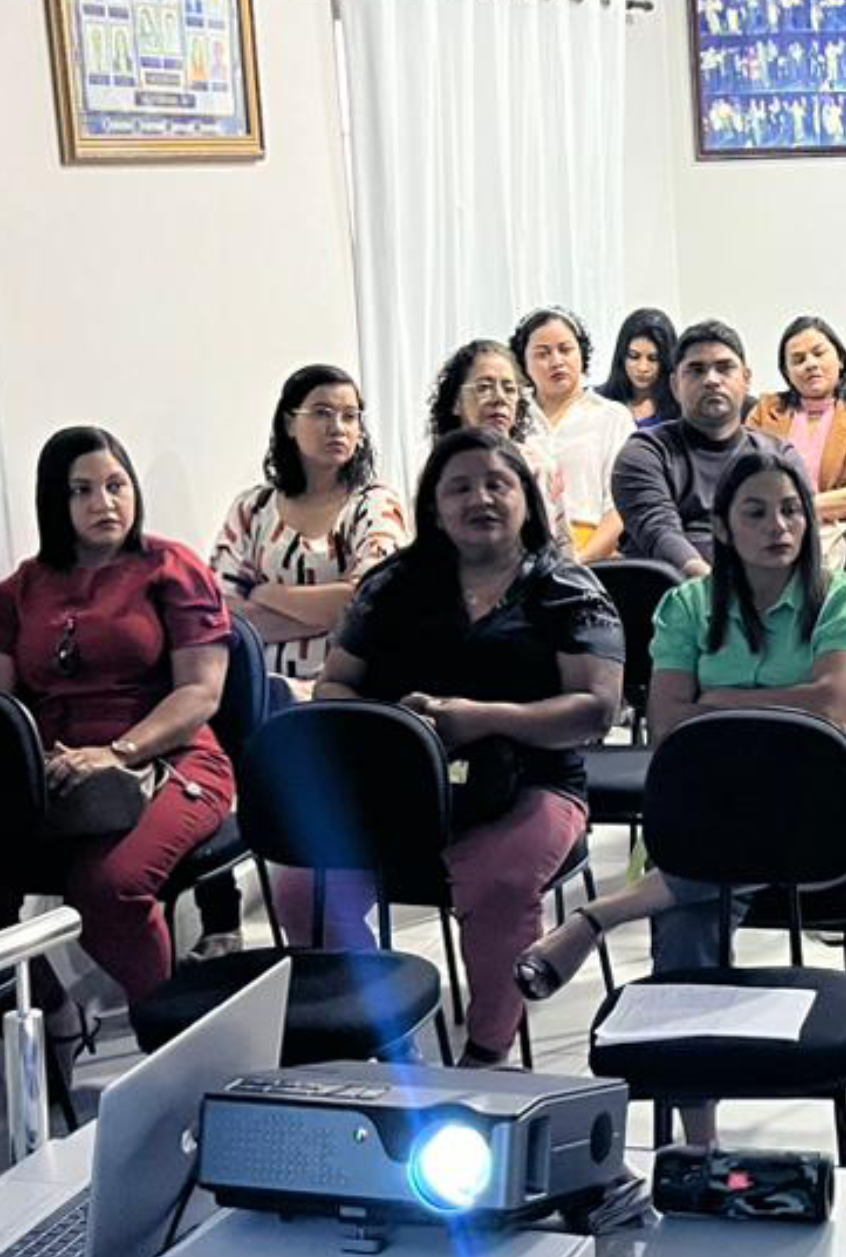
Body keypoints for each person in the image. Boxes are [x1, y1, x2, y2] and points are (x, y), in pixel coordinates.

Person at [513, 449, 846, 1145]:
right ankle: (698, 1138)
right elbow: (670, 723)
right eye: (756, 511)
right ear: (722, 525)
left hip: (820, 808)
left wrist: (720, 699)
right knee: (686, 923)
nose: (779, 525)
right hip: (714, 801)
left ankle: (598, 916)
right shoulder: (687, 606)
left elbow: (834, 704)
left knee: (694, 877)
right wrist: (770, 706)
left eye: (791, 509)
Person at [300, 427, 624, 1066]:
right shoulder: (394, 584)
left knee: (499, 878)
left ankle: (487, 1052)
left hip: (533, 780)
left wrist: (482, 719)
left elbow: (595, 709)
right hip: (403, 782)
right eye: (460, 487)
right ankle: (382, 1023)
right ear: (435, 507)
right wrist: (402, 727)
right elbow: (334, 684)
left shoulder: (567, 587)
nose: (481, 498)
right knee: (299, 885)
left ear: (526, 498)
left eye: (498, 484)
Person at [0, 427, 234, 1037]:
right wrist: (41, 770)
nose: (103, 503)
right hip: (60, 773)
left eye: (116, 485)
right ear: (53, 504)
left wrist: (117, 751)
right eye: (81, 491)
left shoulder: (169, 567)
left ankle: (169, 1043)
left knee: (109, 889)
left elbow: (201, 693)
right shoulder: (18, 593)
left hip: (172, 757)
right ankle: (52, 1021)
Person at [212, 366, 407, 694]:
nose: (338, 427)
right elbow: (222, 614)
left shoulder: (376, 503)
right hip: (260, 688)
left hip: (342, 689)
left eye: (349, 416)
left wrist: (268, 594)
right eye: (321, 413)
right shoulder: (253, 507)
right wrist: (330, 613)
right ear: (290, 423)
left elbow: (371, 604)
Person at [615, 319, 804, 578]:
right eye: (696, 370)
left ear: (746, 379)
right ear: (674, 386)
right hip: (673, 600)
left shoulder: (780, 456)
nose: (712, 380)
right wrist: (719, 590)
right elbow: (660, 533)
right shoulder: (646, 453)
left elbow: (795, 534)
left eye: (724, 368)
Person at [744, 315, 846, 580]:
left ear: (839, 358)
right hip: (765, 531)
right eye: (798, 359)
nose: (810, 364)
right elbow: (743, 479)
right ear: (787, 372)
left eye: (818, 353)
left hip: (836, 537)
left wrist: (801, 508)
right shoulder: (765, 412)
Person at [513, 306, 636, 562]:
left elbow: (620, 506)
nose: (556, 361)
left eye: (565, 349)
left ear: (581, 354)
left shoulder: (611, 416)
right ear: (523, 363)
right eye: (542, 353)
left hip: (593, 553)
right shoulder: (512, 414)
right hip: (519, 555)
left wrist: (579, 561)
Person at [427, 339, 574, 548]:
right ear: (456, 402)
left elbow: (563, 554)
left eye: (509, 389)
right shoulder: (438, 470)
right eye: (484, 387)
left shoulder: (539, 466)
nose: (500, 398)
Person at [596, 307, 681, 429]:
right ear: (622, 356)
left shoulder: (681, 408)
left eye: (653, 359)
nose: (642, 368)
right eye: (634, 356)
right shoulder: (598, 402)